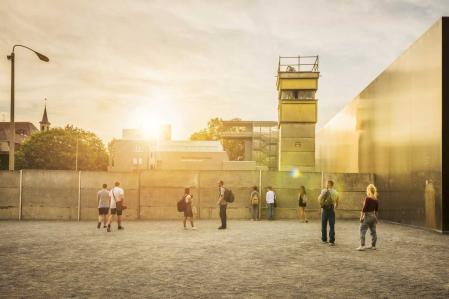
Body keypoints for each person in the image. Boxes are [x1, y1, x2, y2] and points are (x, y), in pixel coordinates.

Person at [357, 184, 379, 251]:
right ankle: (373, 245)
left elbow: (364, 209)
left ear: (369, 190)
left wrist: (361, 217)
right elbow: (376, 211)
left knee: (362, 230)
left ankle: (362, 245)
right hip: (373, 216)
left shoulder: (368, 198)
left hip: (367, 216)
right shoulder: (376, 200)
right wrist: (376, 219)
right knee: (373, 231)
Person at [318, 180, 339, 246]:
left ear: (328, 184)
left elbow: (319, 199)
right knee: (332, 225)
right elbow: (337, 203)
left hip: (325, 210)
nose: (326, 184)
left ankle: (324, 239)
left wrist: (322, 203)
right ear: (332, 185)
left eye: (326, 183)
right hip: (331, 209)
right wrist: (334, 208)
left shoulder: (324, 191)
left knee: (324, 225)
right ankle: (331, 241)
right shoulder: (335, 192)